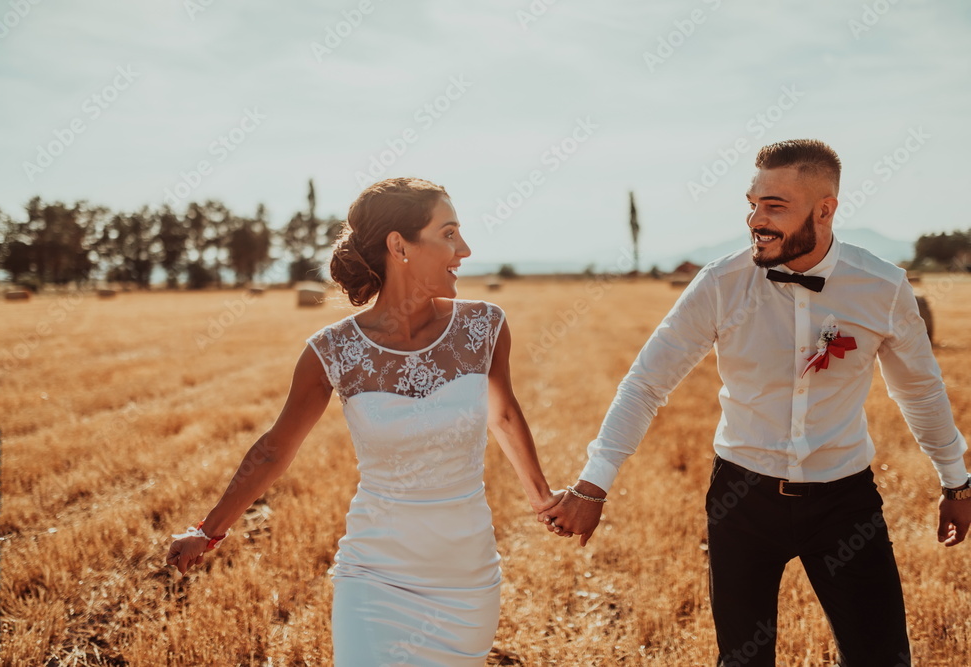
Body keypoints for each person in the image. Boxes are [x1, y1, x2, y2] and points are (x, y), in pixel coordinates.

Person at [541, 139, 971, 666]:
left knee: (882, 657)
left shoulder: (882, 286)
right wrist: (593, 483)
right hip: (742, 499)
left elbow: (920, 388)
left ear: (825, 209)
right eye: (752, 203)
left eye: (775, 206)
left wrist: (955, 479)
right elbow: (646, 383)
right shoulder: (720, 284)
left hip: (845, 500)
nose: (755, 219)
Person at [167, 177, 561, 666]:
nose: (464, 249)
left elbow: (503, 413)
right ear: (400, 246)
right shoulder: (332, 350)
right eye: (449, 233)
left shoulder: (484, 326)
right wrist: (209, 531)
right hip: (375, 573)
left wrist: (542, 498)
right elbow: (274, 450)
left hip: (465, 576)